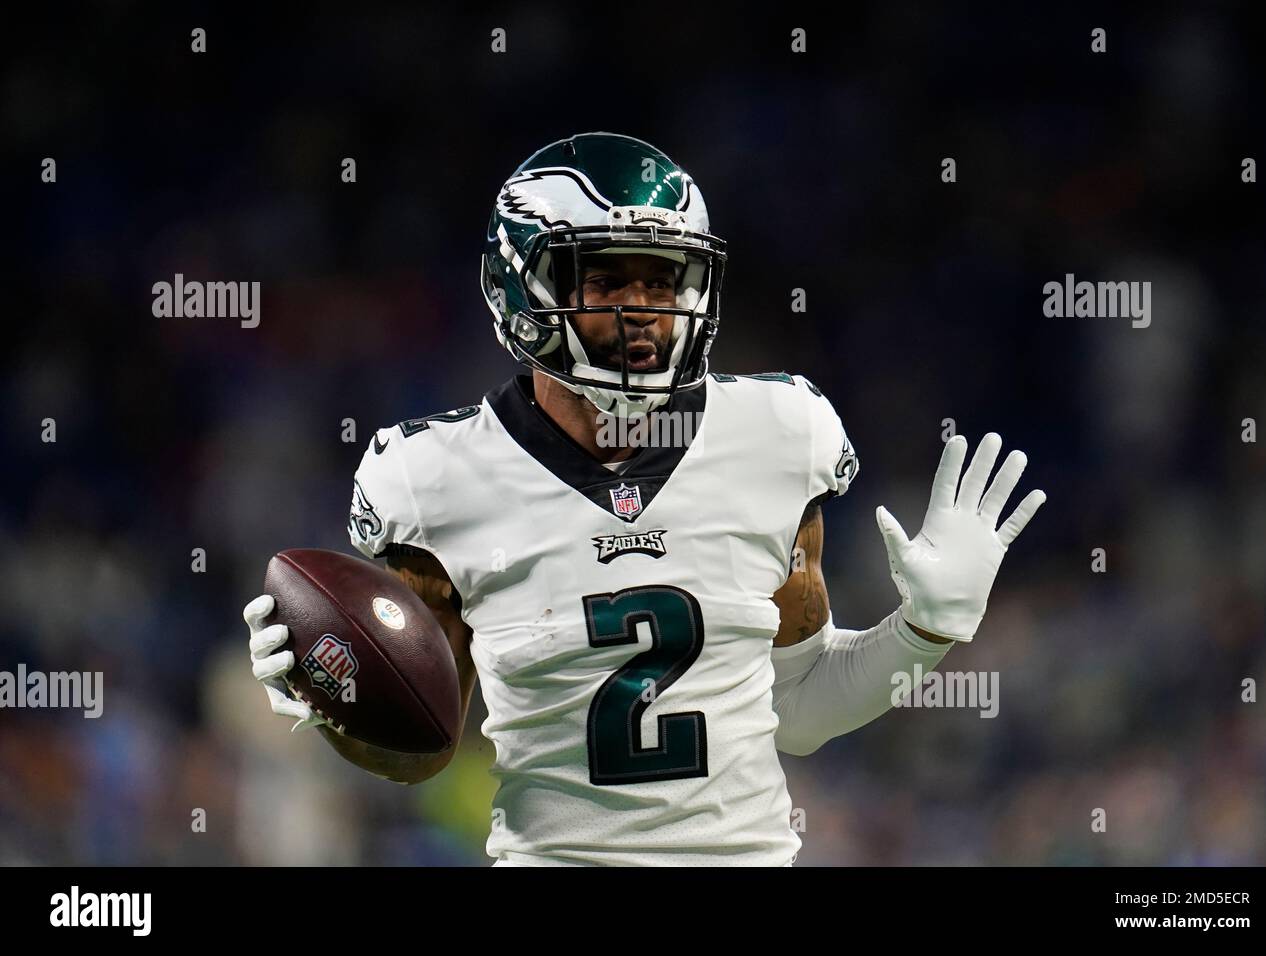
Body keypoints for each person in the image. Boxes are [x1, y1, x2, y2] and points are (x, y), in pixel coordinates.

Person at [243, 132, 1045, 866]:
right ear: (522, 287)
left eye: (662, 282)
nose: (641, 314)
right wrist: (334, 691)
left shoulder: (775, 435)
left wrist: (923, 632)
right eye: (604, 280)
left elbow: (798, 712)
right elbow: (420, 750)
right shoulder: (436, 477)